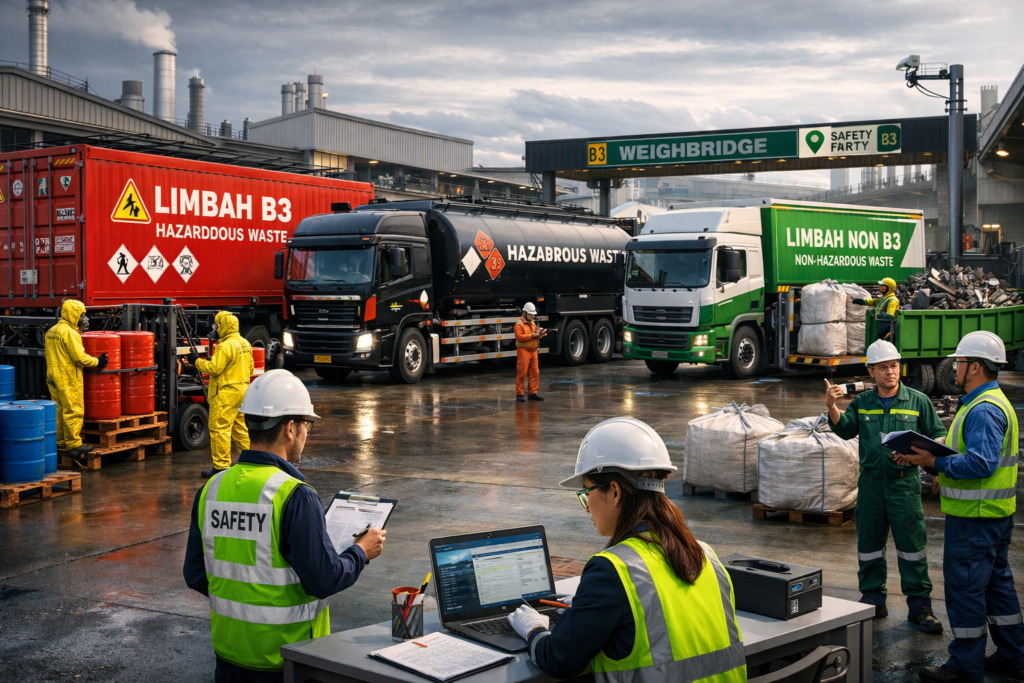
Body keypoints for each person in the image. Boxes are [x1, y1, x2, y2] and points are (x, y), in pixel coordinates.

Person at [507, 417, 746, 683]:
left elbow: (559, 659)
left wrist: (533, 629)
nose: (586, 507)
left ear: (615, 492)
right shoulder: (704, 554)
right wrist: (596, 609)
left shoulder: (612, 570)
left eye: (586, 493)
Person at [183, 369, 386, 683]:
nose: (306, 433)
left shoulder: (212, 489)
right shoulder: (295, 495)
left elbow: (196, 574)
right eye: (307, 425)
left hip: (229, 657)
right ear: (291, 428)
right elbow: (323, 580)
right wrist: (361, 551)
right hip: (288, 660)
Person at [895, 331, 1024, 683]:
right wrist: (935, 456)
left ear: (976, 367)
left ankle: (966, 668)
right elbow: (969, 451)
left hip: (974, 521)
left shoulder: (983, 409)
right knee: (997, 589)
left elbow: (981, 464)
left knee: (966, 592)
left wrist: (935, 463)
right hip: (992, 517)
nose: (954, 367)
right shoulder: (988, 401)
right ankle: (1014, 657)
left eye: (960, 362)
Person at [826, 339, 945, 634]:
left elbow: (938, 436)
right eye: (882, 367)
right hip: (870, 485)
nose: (890, 371)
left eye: (893, 365)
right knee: (869, 546)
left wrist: (920, 456)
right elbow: (845, 430)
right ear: (871, 372)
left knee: (912, 547)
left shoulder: (918, 401)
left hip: (904, 485)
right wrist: (831, 406)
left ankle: (920, 608)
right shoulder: (862, 403)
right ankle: (873, 600)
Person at [190, 311, 254, 478]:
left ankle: (221, 467)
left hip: (225, 394)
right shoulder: (245, 343)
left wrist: (196, 361)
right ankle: (251, 463)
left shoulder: (225, 346)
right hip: (242, 393)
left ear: (224, 326)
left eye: (217, 325)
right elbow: (251, 368)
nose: (215, 328)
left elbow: (214, 368)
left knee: (220, 429)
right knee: (240, 429)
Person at [44, 300, 108, 456]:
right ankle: (74, 445)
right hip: (68, 377)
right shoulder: (70, 333)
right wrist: (98, 361)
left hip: (52, 374)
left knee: (59, 410)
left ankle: (60, 441)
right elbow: (80, 357)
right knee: (73, 410)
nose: (84, 318)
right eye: (82, 314)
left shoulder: (52, 330)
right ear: (73, 314)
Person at [515, 302, 547, 402]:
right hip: (524, 351)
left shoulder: (532, 323)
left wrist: (541, 333)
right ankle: (519, 394)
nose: (532, 316)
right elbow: (520, 337)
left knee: (535, 373)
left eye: (533, 314)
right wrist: (534, 335)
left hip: (533, 351)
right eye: (530, 314)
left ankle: (533, 393)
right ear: (524, 313)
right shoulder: (519, 324)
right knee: (522, 373)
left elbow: (535, 333)